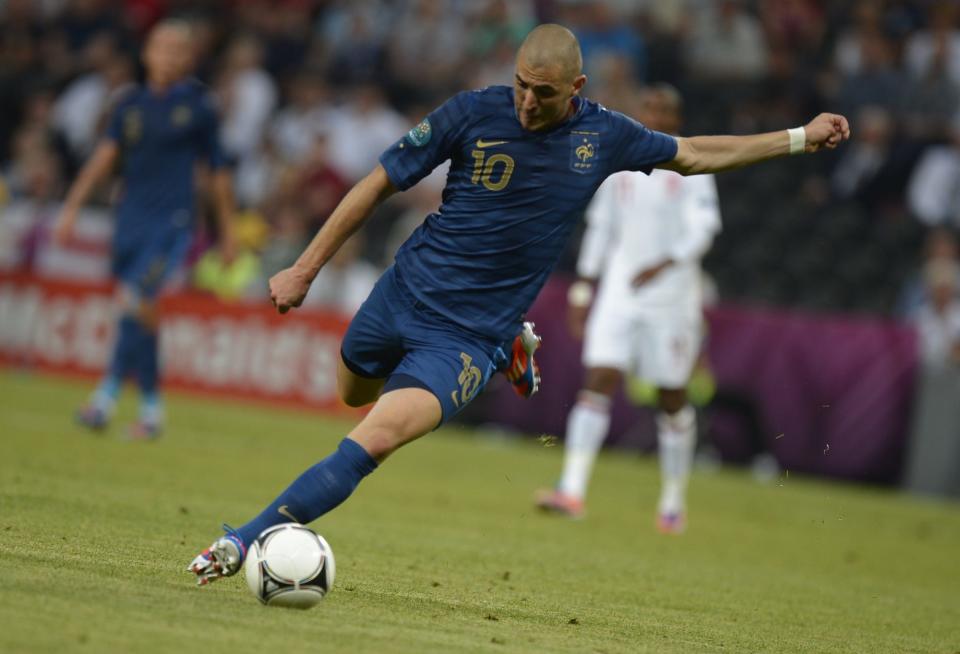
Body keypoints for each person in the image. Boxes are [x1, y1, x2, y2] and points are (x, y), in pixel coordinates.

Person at [188, 23, 849, 585]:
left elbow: (698, 153)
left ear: (577, 91)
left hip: (465, 338)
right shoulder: (472, 112)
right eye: (521, 86)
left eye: (545, 93)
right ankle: (513, 346)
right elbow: (377, 183)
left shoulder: (604, 136)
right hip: (401, 293)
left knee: (374, 437)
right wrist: (305, 267)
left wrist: (798, 137)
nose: (529, 102)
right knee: (354, 392)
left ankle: (241, 540)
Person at [534, 84, 720, 532]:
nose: (654, 114)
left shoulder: (693, 165)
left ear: (677, 119)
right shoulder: (619, 164)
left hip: (672, 299)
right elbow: (599, 229)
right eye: (648, 106)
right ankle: (572, 490)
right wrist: (584, 290)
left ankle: (673, 500)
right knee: (599, 376)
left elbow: (705, 227)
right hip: (619, 292)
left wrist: (666, 261)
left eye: (664, 108)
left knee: (671, 396)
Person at [53, 20, 236, 439]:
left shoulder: (199, 106)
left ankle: (105, 398)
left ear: (189, 58)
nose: (168, 56)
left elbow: (219, 171)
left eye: (177, 49)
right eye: (161, 47)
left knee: (136, 301)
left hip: (171, 223)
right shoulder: (130, 104)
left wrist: (226, 232)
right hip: (129, 221)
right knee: (142, 312)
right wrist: (71, 207)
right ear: (147, 53)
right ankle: (152, 411)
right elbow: (104, 157)